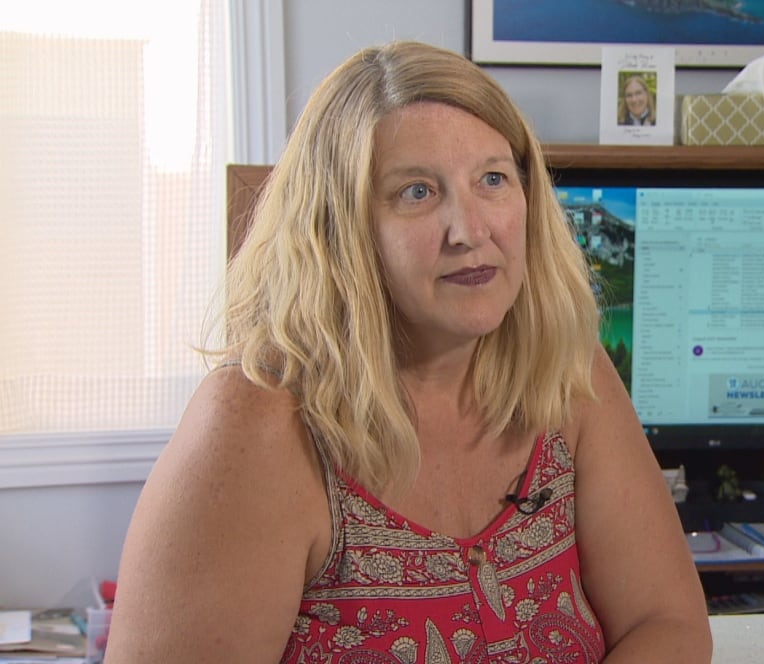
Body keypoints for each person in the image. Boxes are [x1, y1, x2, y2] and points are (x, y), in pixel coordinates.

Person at [104, 40, 711, 663]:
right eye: (417, 192)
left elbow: (668, 624)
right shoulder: (255, 421)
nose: (470, 230)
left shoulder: (565, 366)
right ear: (340, 229)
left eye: (493, 180)